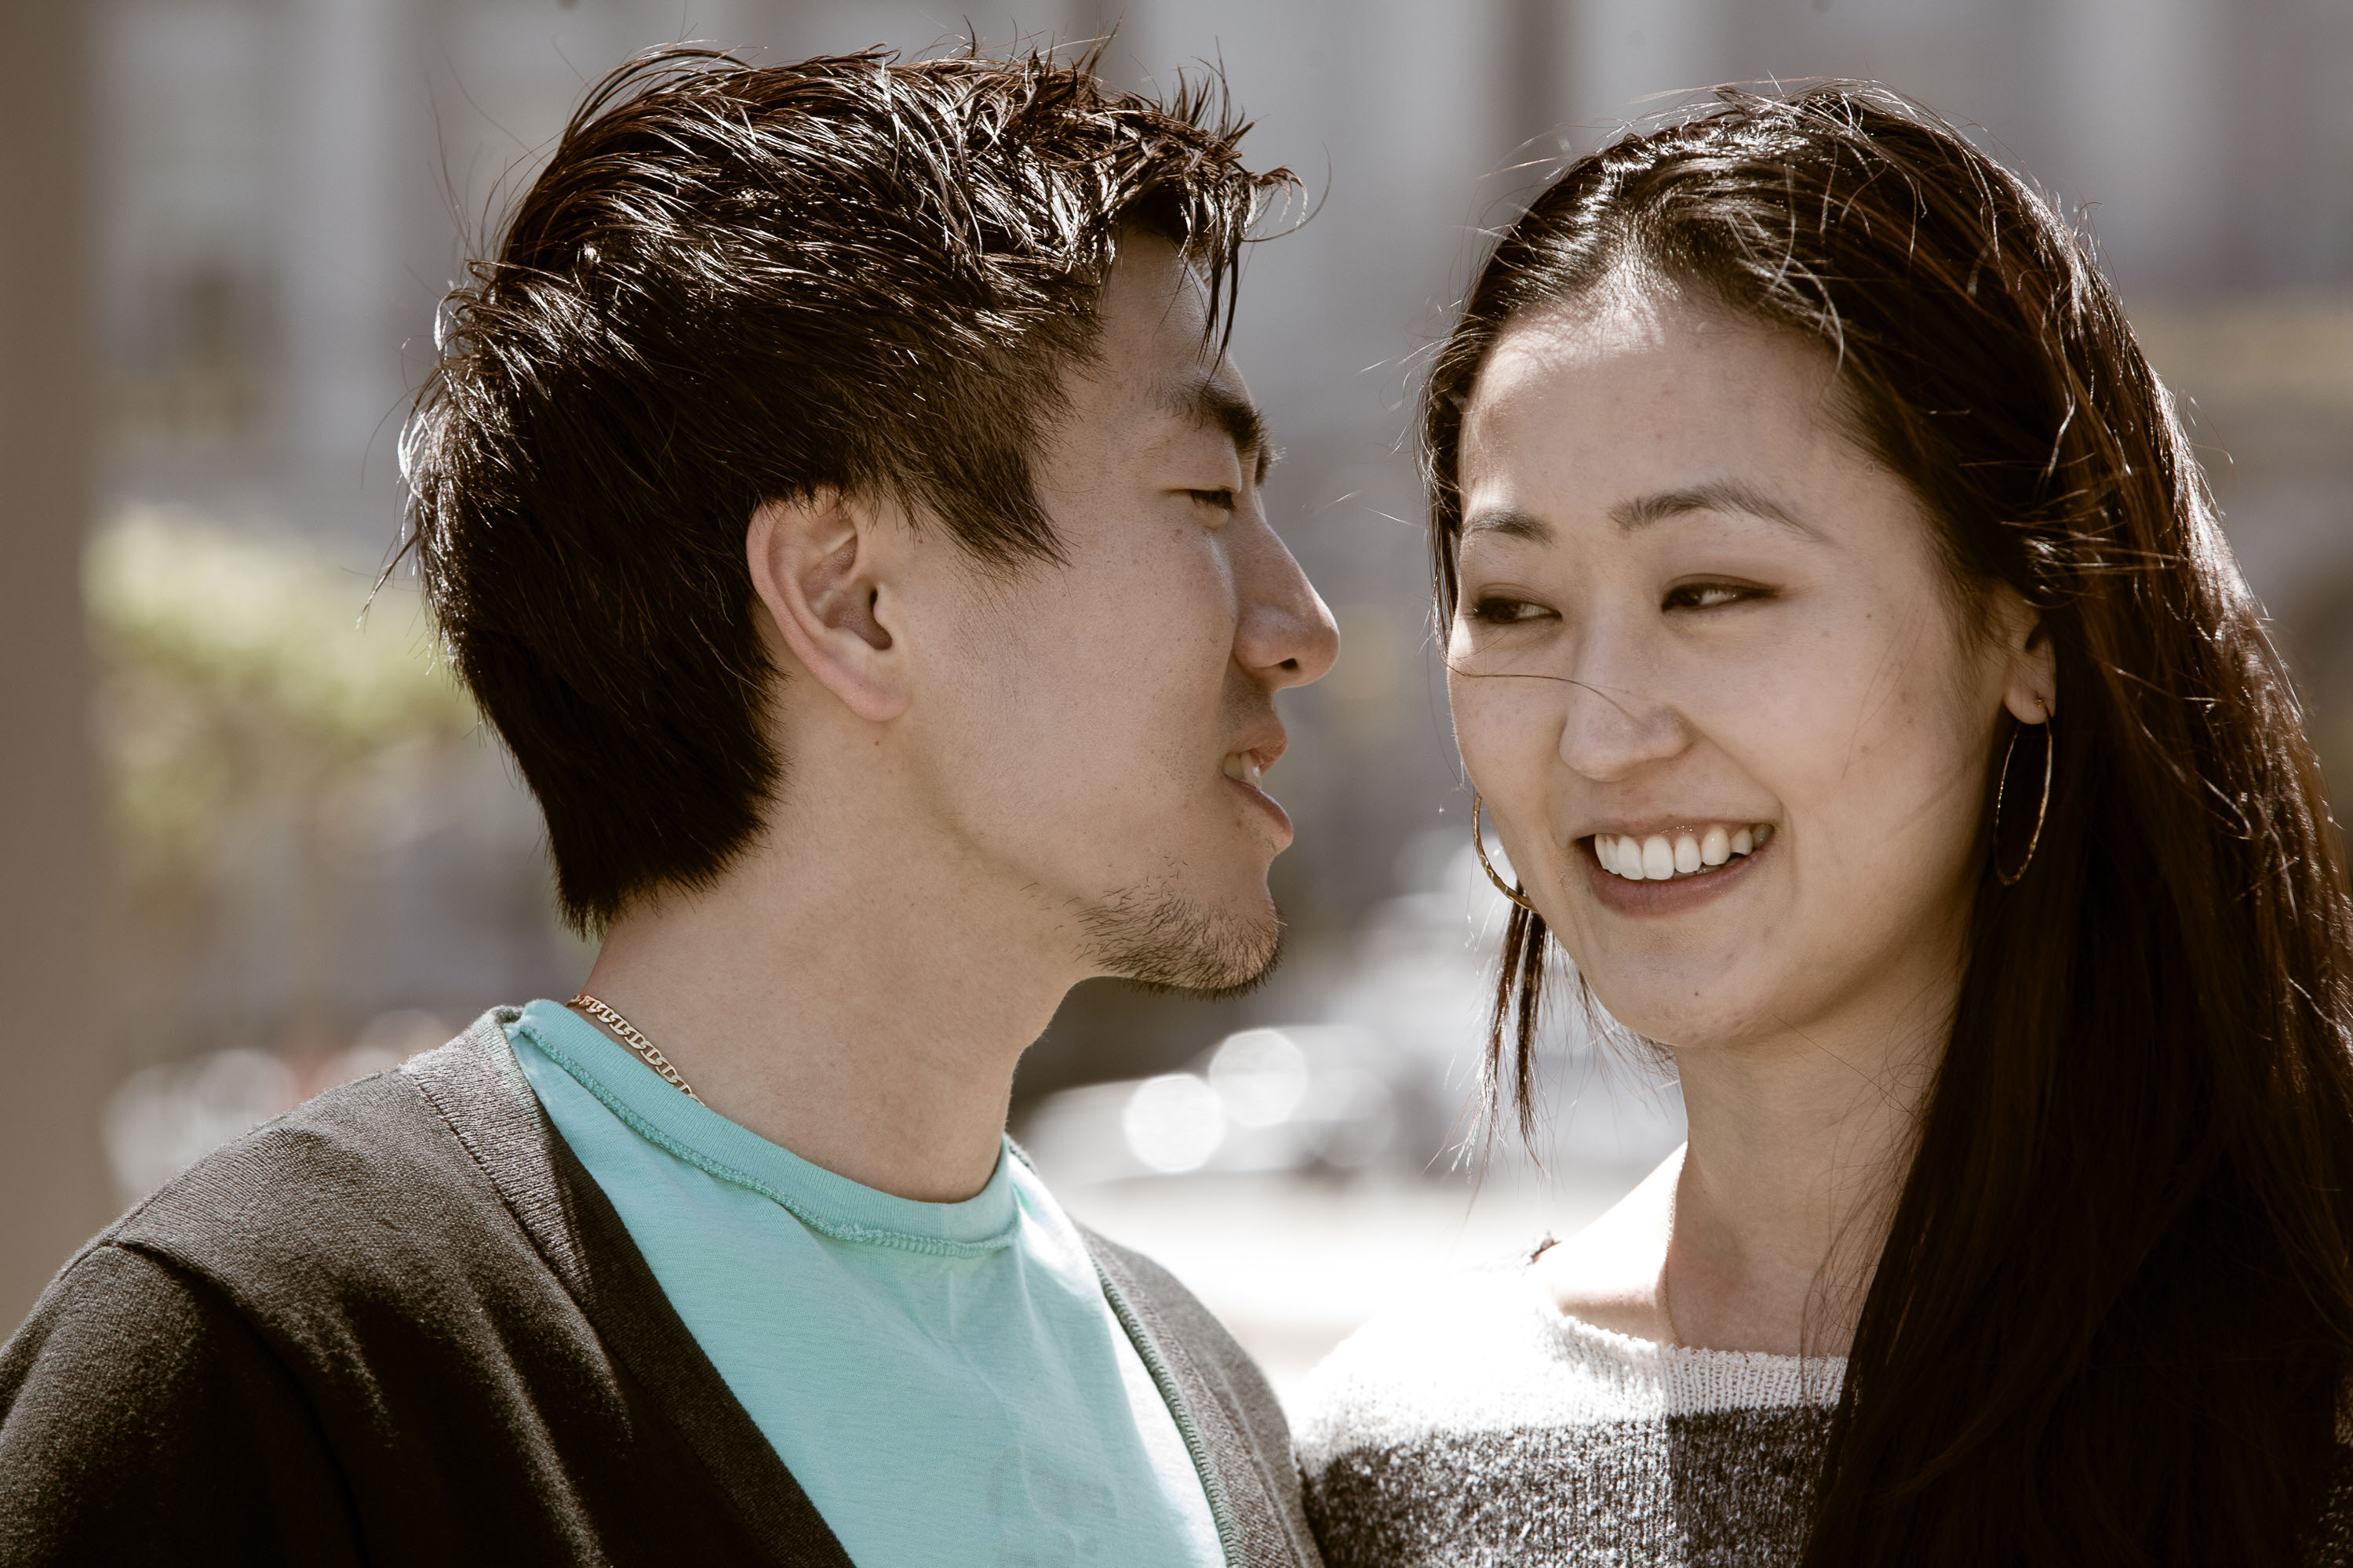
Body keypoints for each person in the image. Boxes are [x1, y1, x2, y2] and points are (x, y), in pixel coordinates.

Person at [0, 46, 1338, 1566]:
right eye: (1208, 502)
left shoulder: (1204, 1395)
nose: (1302, 626)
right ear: (853, 600)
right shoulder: (265, 1379)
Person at [1295, 85, 2353, 1566]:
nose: (1601, 732)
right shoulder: (1393, 1459)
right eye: (1516, 605)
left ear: (2025, 625)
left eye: (1714, 591)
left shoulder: (2316, 1385)